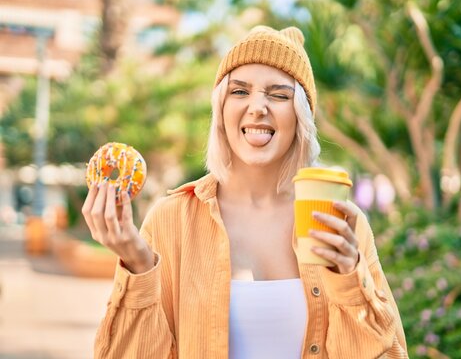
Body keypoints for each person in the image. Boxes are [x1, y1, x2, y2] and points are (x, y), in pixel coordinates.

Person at [82, 25, 408, 359]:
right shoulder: (172, 220)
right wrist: (138, 265)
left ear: (301, 116)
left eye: (279, 95)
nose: (257, 107)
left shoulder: (339, 224)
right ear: (220, 111)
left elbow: (391, 354)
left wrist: (350, 281)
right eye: (239, 92)